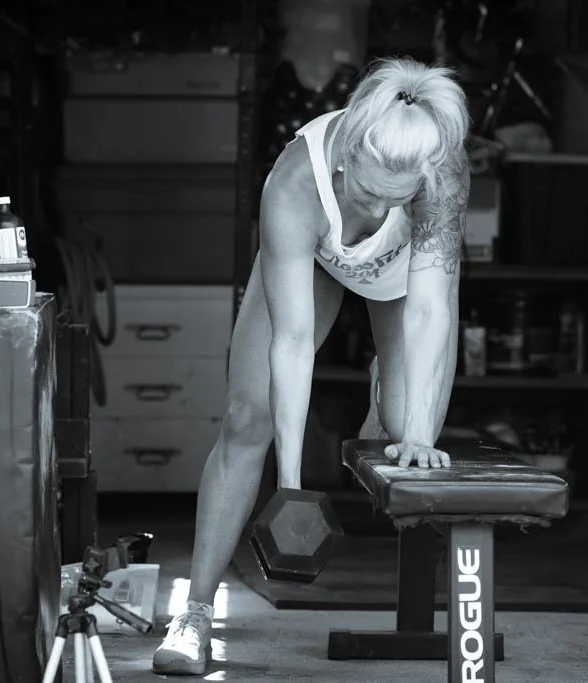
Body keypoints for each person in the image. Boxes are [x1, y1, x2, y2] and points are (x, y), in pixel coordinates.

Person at [152, 56, 471, 676]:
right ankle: (193, 614)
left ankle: (389, 394)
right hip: (321, 262)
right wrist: (291, 490)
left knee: (408, 432)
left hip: (407, 281)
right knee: (249, 419)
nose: (379, 209)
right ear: (348, 153)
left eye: (393, 200)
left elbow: (431, 313)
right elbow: (294, 343)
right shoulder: (295, 181)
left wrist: (417, 436)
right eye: (368, 193)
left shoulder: (441, 172)